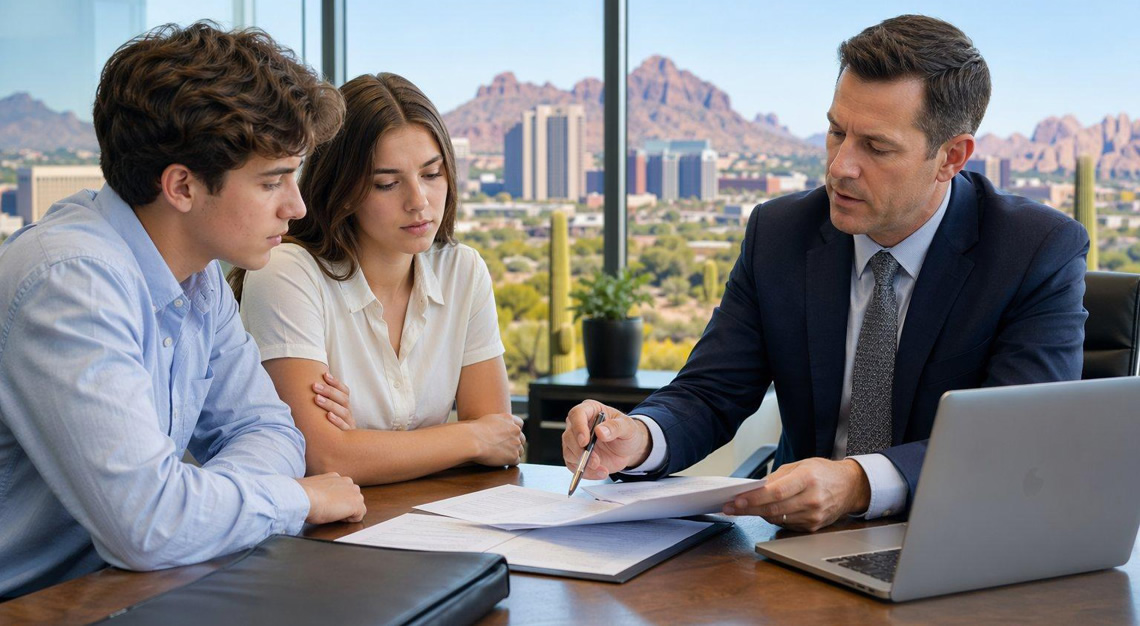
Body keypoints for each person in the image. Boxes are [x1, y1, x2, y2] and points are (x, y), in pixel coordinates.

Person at [562, 14, 1089, 532]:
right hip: (796, 552)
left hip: (961, 544)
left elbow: (1014, 439)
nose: (840, 166)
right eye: (837, 132)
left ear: (952, 156)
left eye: (876, 147)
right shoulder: (780, 232)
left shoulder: (1035, 251)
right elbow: (712, 390)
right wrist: (640, 436)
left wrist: (859, 483)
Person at [0, 23, 366, 599]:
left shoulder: (200, 278)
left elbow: (267, 429)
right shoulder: (72, 282)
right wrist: (298, 498)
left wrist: (193, 506)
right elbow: (147, 529)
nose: (295, 207)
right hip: (32, 605)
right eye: (273, 181)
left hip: (128, 590)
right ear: (182, 187)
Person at [233, 72, 524, 486]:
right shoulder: (287, 273)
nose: (419, 202)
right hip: (325, 536)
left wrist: (365, 447)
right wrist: (469, 436)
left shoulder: (463, 271)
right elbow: (324, 458)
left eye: (431, 174)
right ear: (344, 188)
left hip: (435, 526)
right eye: (387, 184)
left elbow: (501, 445)